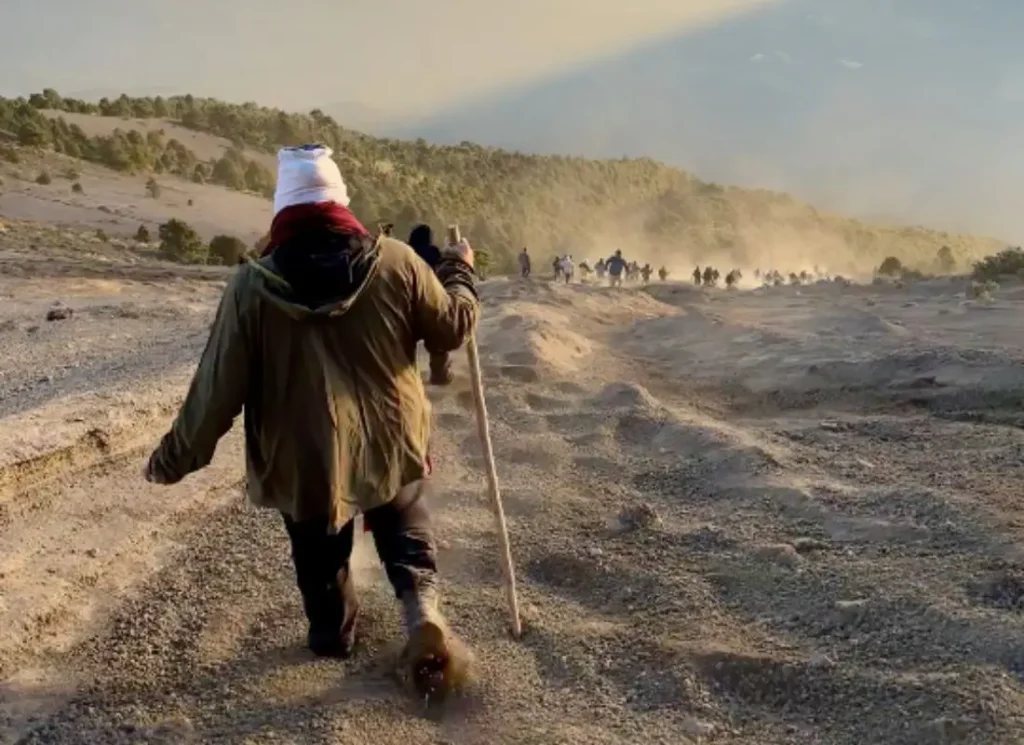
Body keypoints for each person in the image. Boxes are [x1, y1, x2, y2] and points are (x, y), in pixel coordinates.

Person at [143, 144, 477, 686]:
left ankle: (332, 638)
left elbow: (216, 390)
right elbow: (453, 327)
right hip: (389, 438)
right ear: (341, 201)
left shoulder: (251, 288)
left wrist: (173, 458)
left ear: (283, 209)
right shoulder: (398, 262)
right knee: (403, 512)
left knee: (318, 551)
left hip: (303, 457)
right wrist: (460, 271)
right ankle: (422, 611)